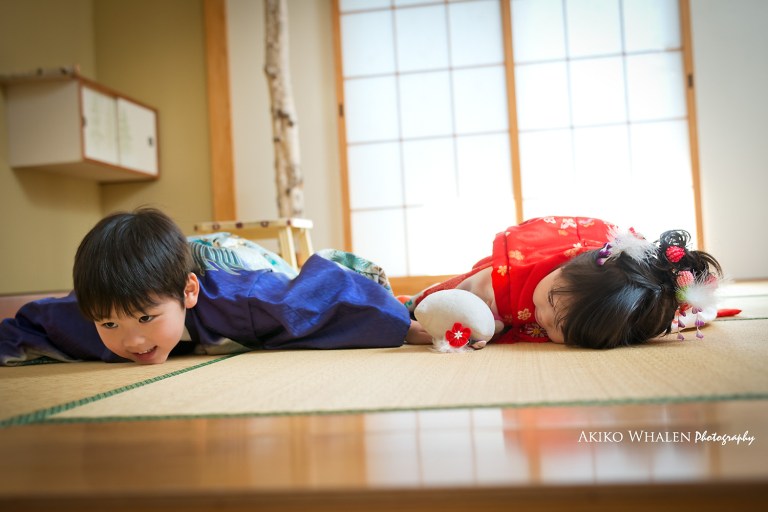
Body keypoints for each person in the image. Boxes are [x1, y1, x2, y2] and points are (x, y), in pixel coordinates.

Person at [0, 208, 430, 366]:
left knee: (304, 292)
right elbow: (28, 326)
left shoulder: (244, 299)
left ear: (188, 293)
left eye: (146, 318)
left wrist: (401, 323)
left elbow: (321, 298)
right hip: (173, 272)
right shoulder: (89, 313)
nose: (131, 339)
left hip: (233, 261)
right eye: (109, 324)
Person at [403, 216, 723, 349]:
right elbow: (462, 297)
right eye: (554, 300)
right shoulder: (558, 262)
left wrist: (489, 329)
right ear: (566, 265)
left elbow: (692, 314)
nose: (544, 317)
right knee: (424, 304)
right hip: (514, 278)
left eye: (560, 327)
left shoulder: (637, 313)